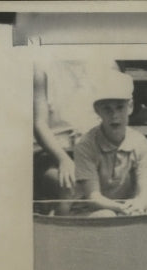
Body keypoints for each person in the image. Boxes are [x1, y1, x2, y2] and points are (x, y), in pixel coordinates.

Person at [33, 56, 119, 214]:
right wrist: (63, 160)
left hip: (96, 152)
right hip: (55, 154)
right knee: (69, 184)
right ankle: (62, 225)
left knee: (120, 183)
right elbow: (39, 124)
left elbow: (116, 115)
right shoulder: (42, 66)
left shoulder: (108, 64)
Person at [73, 70, 147, 217]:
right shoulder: (85, 145)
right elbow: (93, 197)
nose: (114, 115)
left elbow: (146, 187)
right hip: (90, 213)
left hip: (127, 210)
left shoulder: (140, 142)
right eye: (107, 109)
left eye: (120, 107)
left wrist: (140, 203)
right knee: (107, 215)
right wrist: (122, 208)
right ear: (97, 110)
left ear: (131, 107)